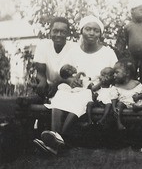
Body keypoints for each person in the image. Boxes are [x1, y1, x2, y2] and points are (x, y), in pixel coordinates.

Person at [34, 15, 118, 155]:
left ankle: (58, 140)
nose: (91, 33)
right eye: (88, 29)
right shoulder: (73, 51)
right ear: (81, 31)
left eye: (96, 30)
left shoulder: (108, 53)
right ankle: (56, 137)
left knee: (82, 97)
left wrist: (101, 83)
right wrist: (71, 80)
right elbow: (64, 73)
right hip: (75, 88)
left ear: (100, 34)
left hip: (95, 91)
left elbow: (115, 75)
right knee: (61, 94)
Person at [33, 17, 75, 99]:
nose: (58, 35)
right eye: (55, 31)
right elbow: (40, 72)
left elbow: (73, 77)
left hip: (68, 88)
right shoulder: (43, 45)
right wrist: (42, 81)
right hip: (49, 87)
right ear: (50, 31)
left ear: (68, 34)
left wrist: (58, 84)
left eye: (63, 32)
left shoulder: (74, 48)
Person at [111, 58, 142, 130]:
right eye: (114, 73)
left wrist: (139, 96)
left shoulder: (136, 83)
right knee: (119, 105)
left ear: (127, 73)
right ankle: (119, 123)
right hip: (125, 105)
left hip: (137, 104)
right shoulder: (116, 86)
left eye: (117, 72)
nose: (114, 75)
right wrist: (114, 107)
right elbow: (113, 98)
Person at [124, 4, 142, 86]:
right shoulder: (128, 27)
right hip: (132, 56)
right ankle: (132, 92)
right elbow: (127, 40)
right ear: (132, 10)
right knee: (132, 75)